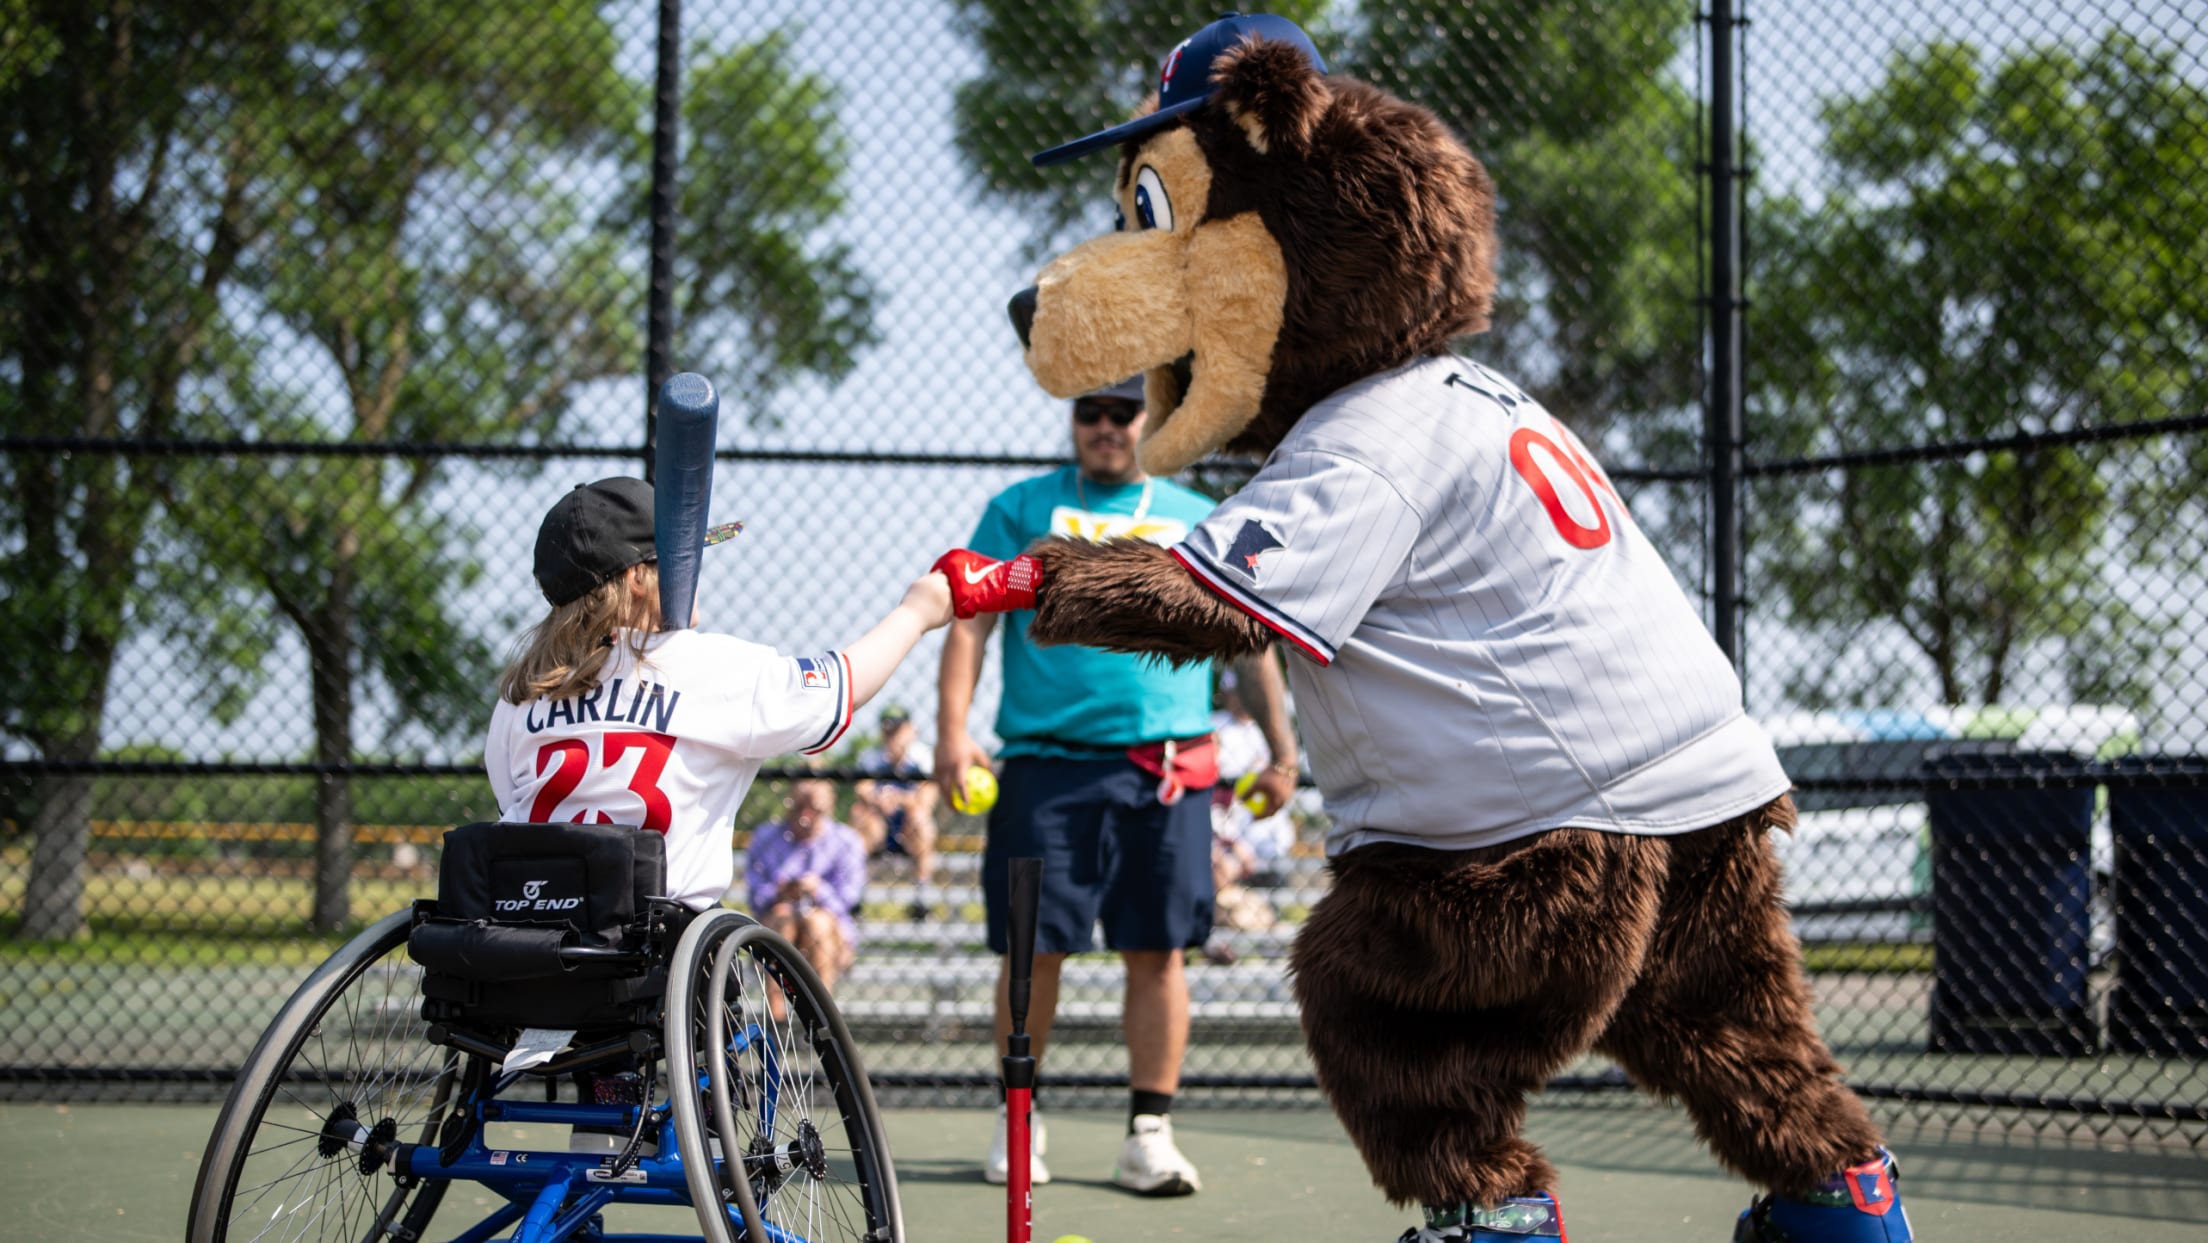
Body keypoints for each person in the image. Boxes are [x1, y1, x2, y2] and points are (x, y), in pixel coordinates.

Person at [934, 378, 1298, 1196]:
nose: (1104, 426)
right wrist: (954, 733)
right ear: (1073, 421)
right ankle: (1019, 1119)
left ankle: (1149, 1132)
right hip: (1044, 766)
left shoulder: (1197, 511)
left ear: (1152, 419)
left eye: (1122, 412)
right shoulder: (1021, 506)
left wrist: (1281, 749)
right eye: (1088, 412)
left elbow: (1251, 635)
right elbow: (971, 622)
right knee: (1034, 950)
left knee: (1159, 950)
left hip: (1165, 771)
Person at [486, 477, 953, 915]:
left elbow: (513, 804)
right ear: (637, 579)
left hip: (534, 949)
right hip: (651, 957)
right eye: (682, 556)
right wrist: (919, 610)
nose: (695, 568)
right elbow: (843, 685)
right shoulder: (708, 667)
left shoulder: (523, 691)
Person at [745, 778, 868, 992]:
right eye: (799, 807)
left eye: (814, 810)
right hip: (777, 921)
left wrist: (818, 890)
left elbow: (848, 900)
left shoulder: (847, 841)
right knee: (782, 918)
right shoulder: (766, 837)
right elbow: (756, 896)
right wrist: (780, 892)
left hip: (830, 931)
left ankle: (822, 1015)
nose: (805, 817)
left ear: (829, 807)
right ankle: (778, 1019)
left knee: (816, 923)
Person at [849, 704, 940, 919]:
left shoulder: (923, 756)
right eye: (888, 730)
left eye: (897, 730)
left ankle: (921, 899)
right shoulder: (870, 756)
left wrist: (897, 799)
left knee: (920, 819)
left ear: (910, 729)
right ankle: (856, 899)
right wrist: (879, 800)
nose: (892, 736)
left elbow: (927, 800)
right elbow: (862, 790)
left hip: (909, 825)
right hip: (879, 823)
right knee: (860, 815)